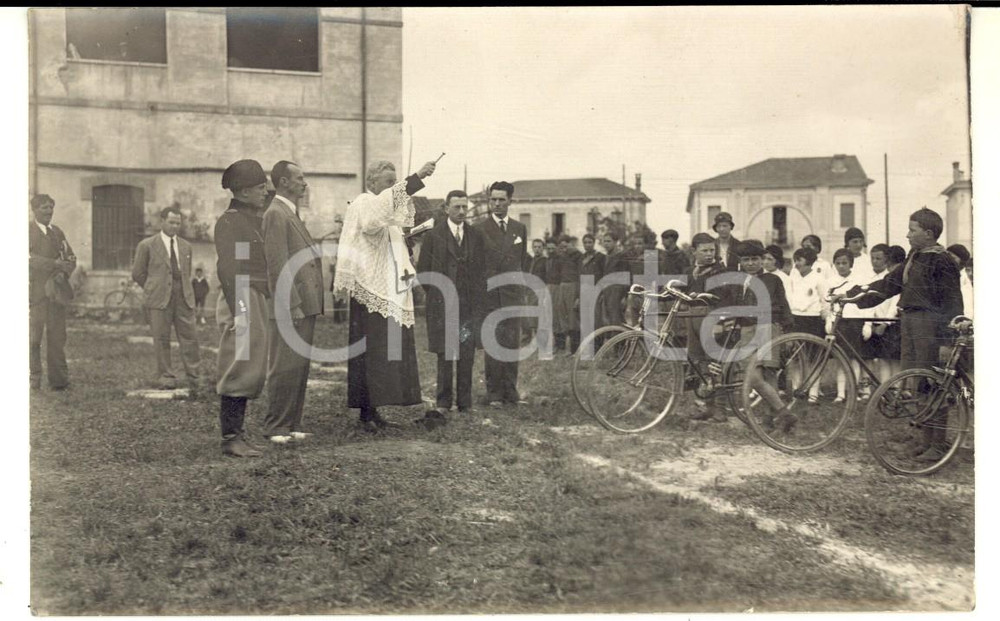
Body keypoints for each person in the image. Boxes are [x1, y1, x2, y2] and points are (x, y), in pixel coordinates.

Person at [843, 208, 964, 462]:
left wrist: (946, 342)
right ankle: (924, 441)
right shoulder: (914, 257)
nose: (907, 235)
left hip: (930, 327)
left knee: (933, 383)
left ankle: (938, 445)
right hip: (909, 322)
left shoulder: (942, 260)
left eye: (912, 230)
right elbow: (889, 284)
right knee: (917, 382)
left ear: (928, 233)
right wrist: (853, 295)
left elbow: (953, 304)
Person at [334, 159, 437, 431]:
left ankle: (374, 410)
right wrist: (415, 178)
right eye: (389, 182)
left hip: (387, 289)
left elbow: (387, 233)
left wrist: (406, 241)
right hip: (370, 289)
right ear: (371, 182)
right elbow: (372, 222)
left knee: (382, 351)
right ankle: (366, 413)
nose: (393, 187)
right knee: (372, 352)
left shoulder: (384, 209)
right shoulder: (364, 203)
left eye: (395, 182)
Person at [261, 160, 325, 444]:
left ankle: (291, 423)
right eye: (299, 178)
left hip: (305, 304)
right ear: (284, 182)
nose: (304, 183)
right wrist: (293, 304)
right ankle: (276, 426)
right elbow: (277, 264)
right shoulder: (276, 213)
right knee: (285, 364)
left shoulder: (290, 213)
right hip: (292, 305)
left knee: (298, 365)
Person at [214, 159, 272, 458]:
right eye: (261, 187)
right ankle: (231, 437)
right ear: (245, 191)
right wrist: (239, 310)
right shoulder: (232, 222)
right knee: (238, 364)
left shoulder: (250, 219)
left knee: (251, 365)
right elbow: (230, 269)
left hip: (253, 294)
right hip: (241, 296)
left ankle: (237, 434)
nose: (266, 192)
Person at [417, 189, 486, 413]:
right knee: (445, 354)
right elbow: (423, 272)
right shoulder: (433, 236)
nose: (462, 211)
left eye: (465, 207)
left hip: (467, 308)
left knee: (466, 353)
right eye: (457, 207)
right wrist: (438, 296)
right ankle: (444, 402)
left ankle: (465, 403)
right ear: (446, 208)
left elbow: (482, 272)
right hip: (443, 307)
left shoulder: (475, 236)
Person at [131, 206, 201, 389]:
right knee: (161, 338)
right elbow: (138, 273)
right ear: (161, 221)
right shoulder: (147, 245)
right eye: (171, 222)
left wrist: (183, 289)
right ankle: (166, 376)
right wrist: (153, 287)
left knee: (190, 337)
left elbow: (186, 272)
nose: (175, 226)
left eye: (178, 223)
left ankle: (194, 376)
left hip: (183, 296)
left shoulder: (186, 246)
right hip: (159, 297)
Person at [474, 181, 528, 406]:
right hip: (491, 296)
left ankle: (510, 392)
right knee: (494, 344)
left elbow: (522, 261)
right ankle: (494, 393)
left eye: (501, 200)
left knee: (512, 343)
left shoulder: (519, 228)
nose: (497, 204)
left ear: (510, 202)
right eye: (493, 200)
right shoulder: (479, 229)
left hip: (512, 295)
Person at [731, 240, 794, 429]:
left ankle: (769, 419)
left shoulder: (773, 280)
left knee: (769, 374)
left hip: (768, 327)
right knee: (753, 376)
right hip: (747, 331)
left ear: (761, 260)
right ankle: (784, 413)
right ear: (741, 262)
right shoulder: (738, 282)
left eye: (755, 259)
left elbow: (784, 306)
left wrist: (788, 332)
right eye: (746, 260)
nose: (751, 263)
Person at [29, 194, 76, 391]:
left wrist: (64, 272)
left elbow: (71, 257)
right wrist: (53, 264)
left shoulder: (57, 232)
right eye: (44, 208)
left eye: (51, 207)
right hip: (35, 294)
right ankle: (33, 380)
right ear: (34, 210)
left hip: (56, 293)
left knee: (57, 337)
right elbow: (27, 258)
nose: (49, 211)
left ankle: (59, 381)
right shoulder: (27, 231)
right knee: (33, 339)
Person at [685, 232, 730, 422]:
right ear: (693, 251)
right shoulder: (691, 271)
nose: (710, 254)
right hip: (692, 317)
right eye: (704, 251)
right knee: (699, 362)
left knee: (714, 363)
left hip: (712, 317)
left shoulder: (719, 271)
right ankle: (706, 406)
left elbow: (724, 298)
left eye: (712, 250)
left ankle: (720, 408)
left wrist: (721, 323)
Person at [552, 235, 582, 354]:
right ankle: (564, 346)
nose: (564, 249)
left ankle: (575, 349)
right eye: (561, 247)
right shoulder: (561, 256)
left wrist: (578, 295)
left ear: (571, 244)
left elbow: (580, 275)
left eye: (566, 246)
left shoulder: (578, 255)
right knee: (562, 316)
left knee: (573, 317)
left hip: (573, 286)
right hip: (563, 286)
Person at [526, 238, 549, 348]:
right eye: (535, 247)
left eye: (539, 247)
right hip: (531, 291)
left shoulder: (545, 261)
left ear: (543, 248)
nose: (537, 249)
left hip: (541, 291)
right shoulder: (532, 260)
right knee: (533, 317)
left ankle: (543, 343)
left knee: (541, 317)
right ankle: (535, 342)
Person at [947, 244, 973, 319]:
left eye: (952, 258)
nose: (948, 260)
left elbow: (967, 305)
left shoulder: (964, 278)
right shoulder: (948, 275)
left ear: (961, 260)